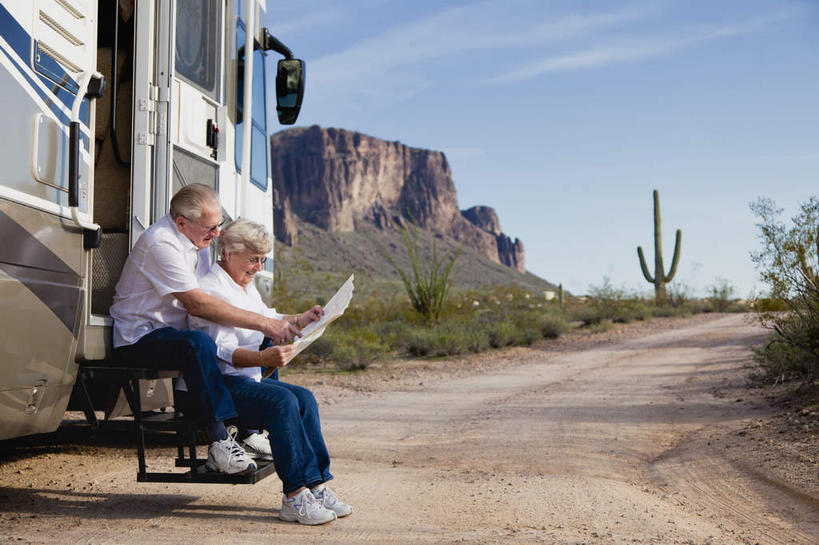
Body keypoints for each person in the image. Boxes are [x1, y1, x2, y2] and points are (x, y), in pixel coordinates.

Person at [109, 184, 301, 475]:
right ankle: (220, 441)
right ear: (182, 223)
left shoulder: (194, 245)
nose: (216, 234)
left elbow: (211, 300)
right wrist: (263, 321)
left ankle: (248, 432)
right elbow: (197, 304)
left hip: (171, 332)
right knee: (198, 343)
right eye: (210, 227)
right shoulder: (162, 242)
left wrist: (273, 321)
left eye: (219, 225)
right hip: (138, 338)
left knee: (241, 334)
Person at [189, 218, 352, 526]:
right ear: (227, 251)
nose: (257, 267)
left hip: (243, 381)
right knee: (283, 402)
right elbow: (221, 353)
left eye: (262, 260)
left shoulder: (243, 286)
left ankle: (316, 485)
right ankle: (294, 496)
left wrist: (303, 319)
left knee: (304, 397)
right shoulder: (212, 288)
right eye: (253, 259)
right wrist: (264, 357)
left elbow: (270, 317)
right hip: (220, 386)